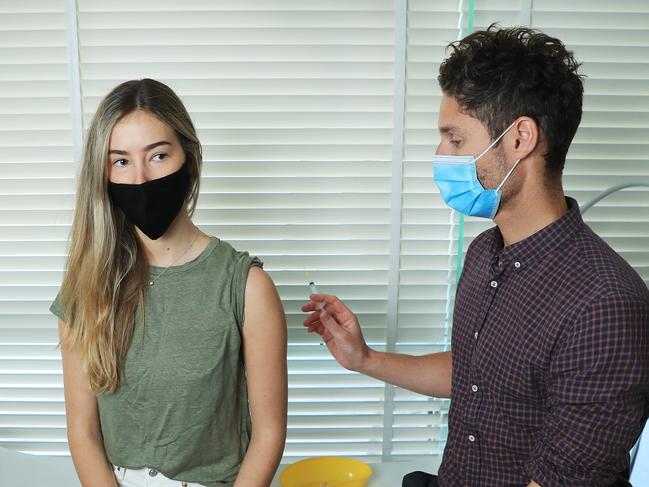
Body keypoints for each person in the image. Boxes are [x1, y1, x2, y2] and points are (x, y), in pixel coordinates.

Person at [302, 25, 649, 487]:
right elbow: (476, 373)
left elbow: (566, 478)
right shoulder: (486, 252)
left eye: (455, 139)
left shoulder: (604, 305)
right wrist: (364, 358)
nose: (440, 153)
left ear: (520, 137)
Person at [51, 79, 287, 487]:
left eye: (158, 155)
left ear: (188, 158)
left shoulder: (247, 287)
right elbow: (83, 433)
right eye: (121, 161)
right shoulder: (85, 286)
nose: (141, 178)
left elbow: (268, 435)